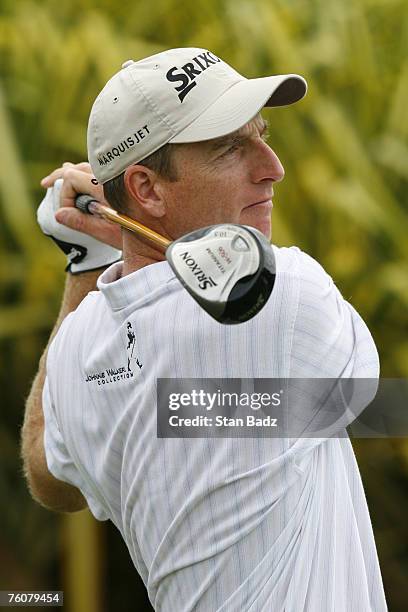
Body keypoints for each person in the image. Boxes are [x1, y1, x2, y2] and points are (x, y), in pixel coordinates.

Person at [21, 47, 388, 611]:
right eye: (230, 148)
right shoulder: (285, 294)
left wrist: (87, 263)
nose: (272, 166)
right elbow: (368, 401)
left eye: (261, 136)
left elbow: (50, 476)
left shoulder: (79, 345)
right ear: (146, 189)